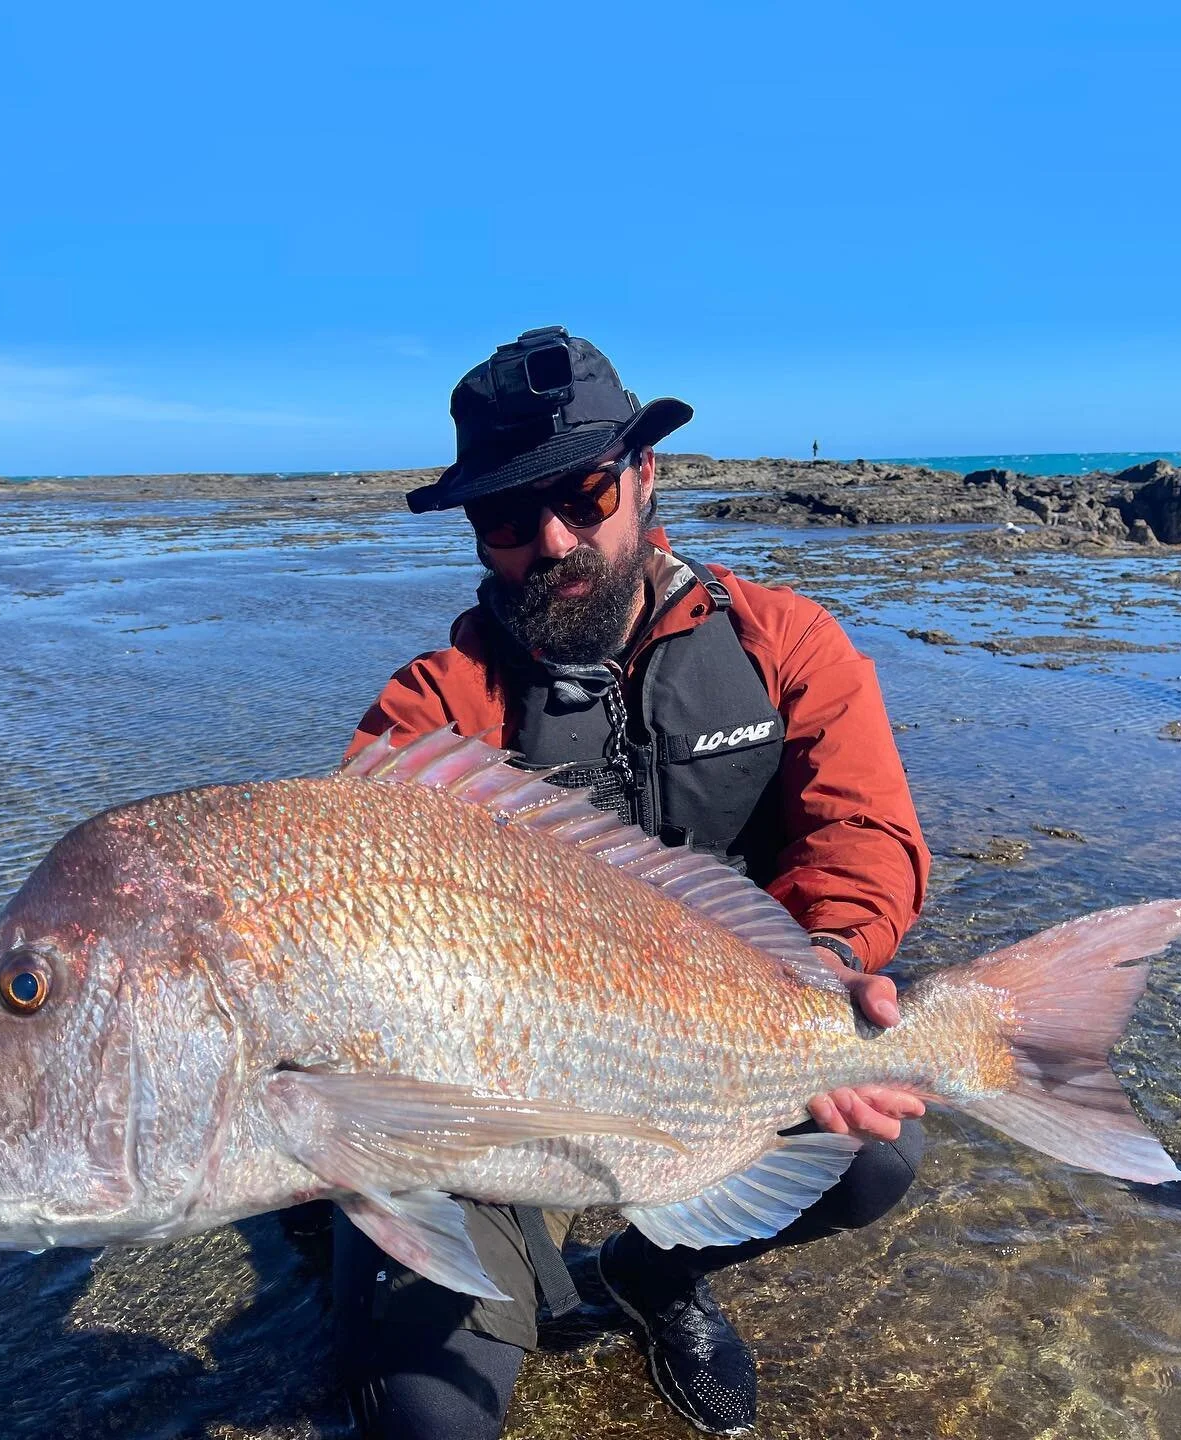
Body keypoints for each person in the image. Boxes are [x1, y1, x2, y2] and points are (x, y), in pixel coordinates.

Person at [336, 326, 931, 1439]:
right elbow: (347, 901)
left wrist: (833, 969)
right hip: (487, 1101)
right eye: (512, 520)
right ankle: (480, 1269)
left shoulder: (784, 643)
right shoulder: (433, 708)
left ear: (645, 474)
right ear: (478, 532)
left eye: (585, 494)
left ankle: (653, 1277)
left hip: (715, 1043)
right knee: (422, 1414)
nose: (554, 540)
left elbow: (862, 833)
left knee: (878, 1155)